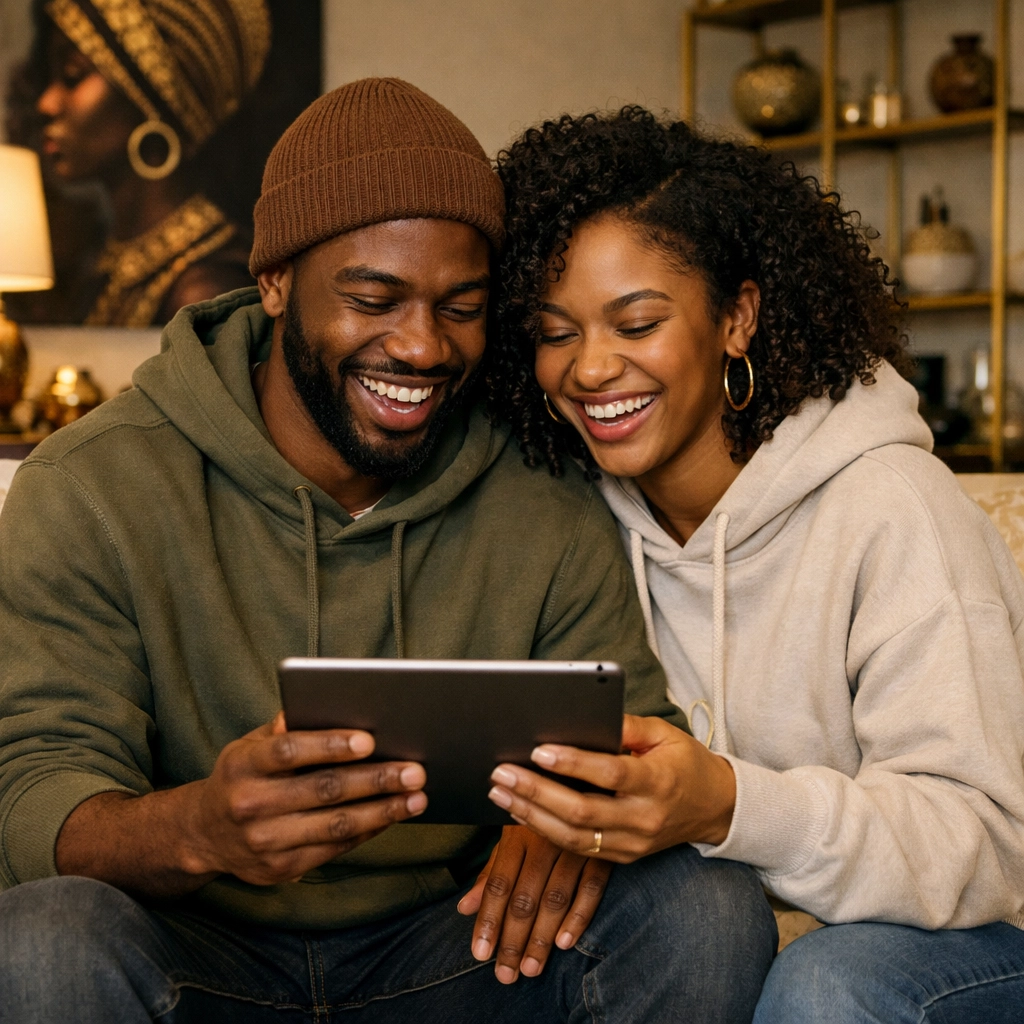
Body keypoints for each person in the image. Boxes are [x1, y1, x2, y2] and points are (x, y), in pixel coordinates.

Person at [0, 81, 776, 1023]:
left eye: (462, 306)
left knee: (703, 908)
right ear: (276, 280)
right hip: (190, 951)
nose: (421, 346)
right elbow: (34, 789)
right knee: (41, 943)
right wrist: (199, 830)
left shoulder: (544, 493)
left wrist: (585, 825)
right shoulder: (93, 484)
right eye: (374, 298)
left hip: (451, 949)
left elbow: (631, 738)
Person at [483, 106, 1024, 1023]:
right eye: (556, 331)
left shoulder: (895, 509)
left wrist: (729, 806)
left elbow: (986, 845)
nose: (590, 368)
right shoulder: (569, 521)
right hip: (716, 936)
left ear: (737, 318)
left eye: (636, 322)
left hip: (966, 943)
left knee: (826, 987)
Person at [8, 0, 270, 325]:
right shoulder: (108, 270)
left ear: (147, 96)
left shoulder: (204, 289)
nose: (46, 104)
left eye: (73, 74)